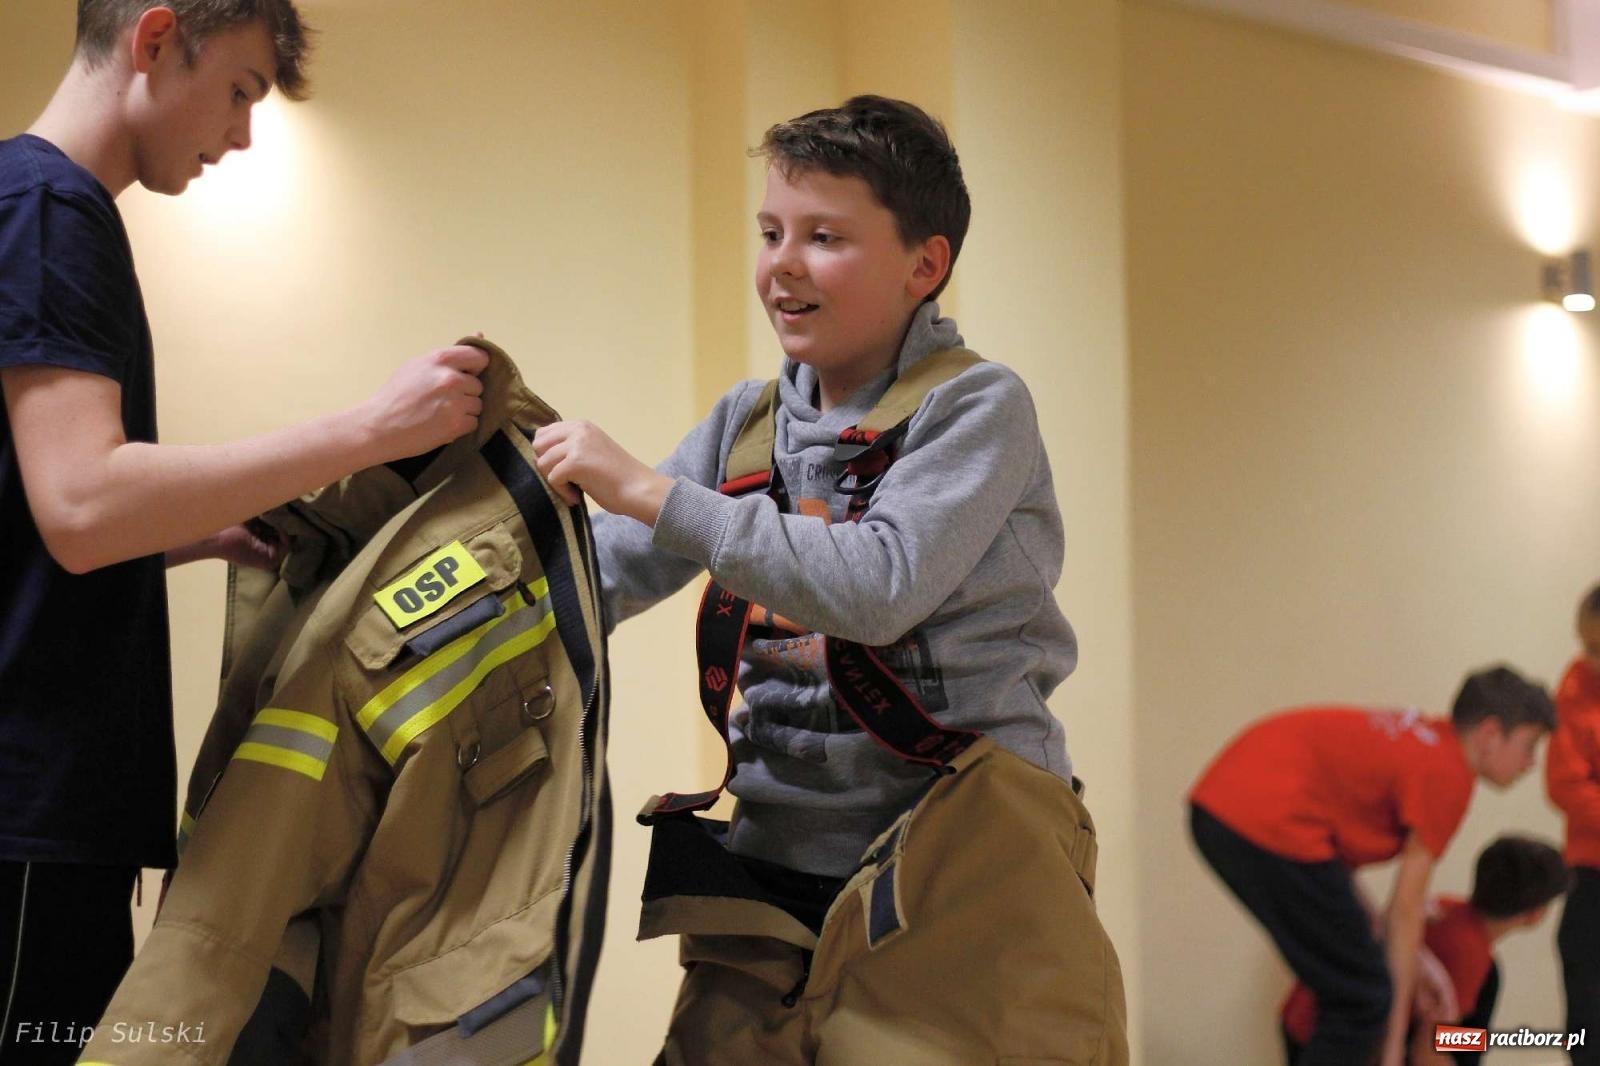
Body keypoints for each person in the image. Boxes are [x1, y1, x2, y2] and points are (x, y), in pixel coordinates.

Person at [532, 95, 1127, 1064]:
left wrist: (646, 488)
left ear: (923, 266)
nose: (784, 263)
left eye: (825, 237)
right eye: (771, 232)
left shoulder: (975, 406)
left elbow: (877, 587)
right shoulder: (748, 422)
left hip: (961, 852)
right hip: (774, 856)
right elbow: (603, 575)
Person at [0, 4, 485, 1060]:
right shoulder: (48, 208)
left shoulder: (31, 205)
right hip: (29, 814)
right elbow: (81, 508)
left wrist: (204, 530)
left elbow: (34, 523)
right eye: (239, 91)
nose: (242, 134)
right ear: (154, 39)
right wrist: (370, 429)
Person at [1188, 667, 1555, 1066]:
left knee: (1362, 993)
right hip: (1260, 816)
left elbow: (1345, 882)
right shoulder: (1475, 957)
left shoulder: (1425, 745)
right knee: (1362, 998)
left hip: (1232, 801)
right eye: (1529, 746)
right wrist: (1392, 1052)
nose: (1531, 763)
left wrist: (1418, 962)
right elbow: (1434, 1047)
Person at [1279, 835, 1569, 1065]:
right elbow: (1426, 1053)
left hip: (1305, 1013)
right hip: (1336, 1035)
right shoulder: (1470, 955)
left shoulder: (1445, 908)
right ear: (1536, 914)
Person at [1547, 581, 1600, 1066]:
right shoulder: (1577, 686)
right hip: (1593, 869)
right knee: (1587, 1025)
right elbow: (1565, 785)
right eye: (1586, 646)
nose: (1590, 659)